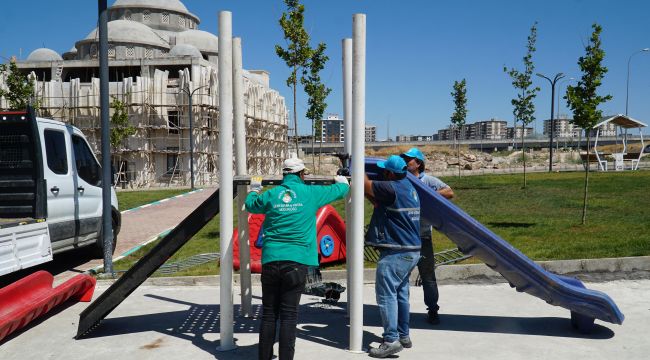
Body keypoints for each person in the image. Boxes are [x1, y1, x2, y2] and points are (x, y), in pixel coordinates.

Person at [245, 157, 350, 360]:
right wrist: (342, 181)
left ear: (284, 175)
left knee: (268, 315)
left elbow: (251, 204)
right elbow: (340, 191)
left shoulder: (272, 195)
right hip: (296, 262)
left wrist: (255, 187)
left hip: (271, 261)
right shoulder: (310, 193)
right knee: (289, 317)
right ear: (302, 175)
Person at [364, 155, 421, 358]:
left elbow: (364, 183)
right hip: (411, 250)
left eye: (383, 171)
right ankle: (403, 336)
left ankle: (391, 340)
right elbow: (379, 202)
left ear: (389, 173)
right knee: (401, 294)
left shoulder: (391, 187)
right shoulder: (408, 187)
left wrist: (351, 164)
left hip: (396, 252)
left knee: (386, 295)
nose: (381, 174)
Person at [401, 147, 454, 325]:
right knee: (402, 276)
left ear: (418, 163)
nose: (405, 161)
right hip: (405, 237)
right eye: (404, 158)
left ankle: (433, 310)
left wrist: (427, 195)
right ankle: (402, 311)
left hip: (423, 237)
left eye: (409, 159)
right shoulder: (402, 179)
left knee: (428, 276)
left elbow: (449, 192)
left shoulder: (427, 180)